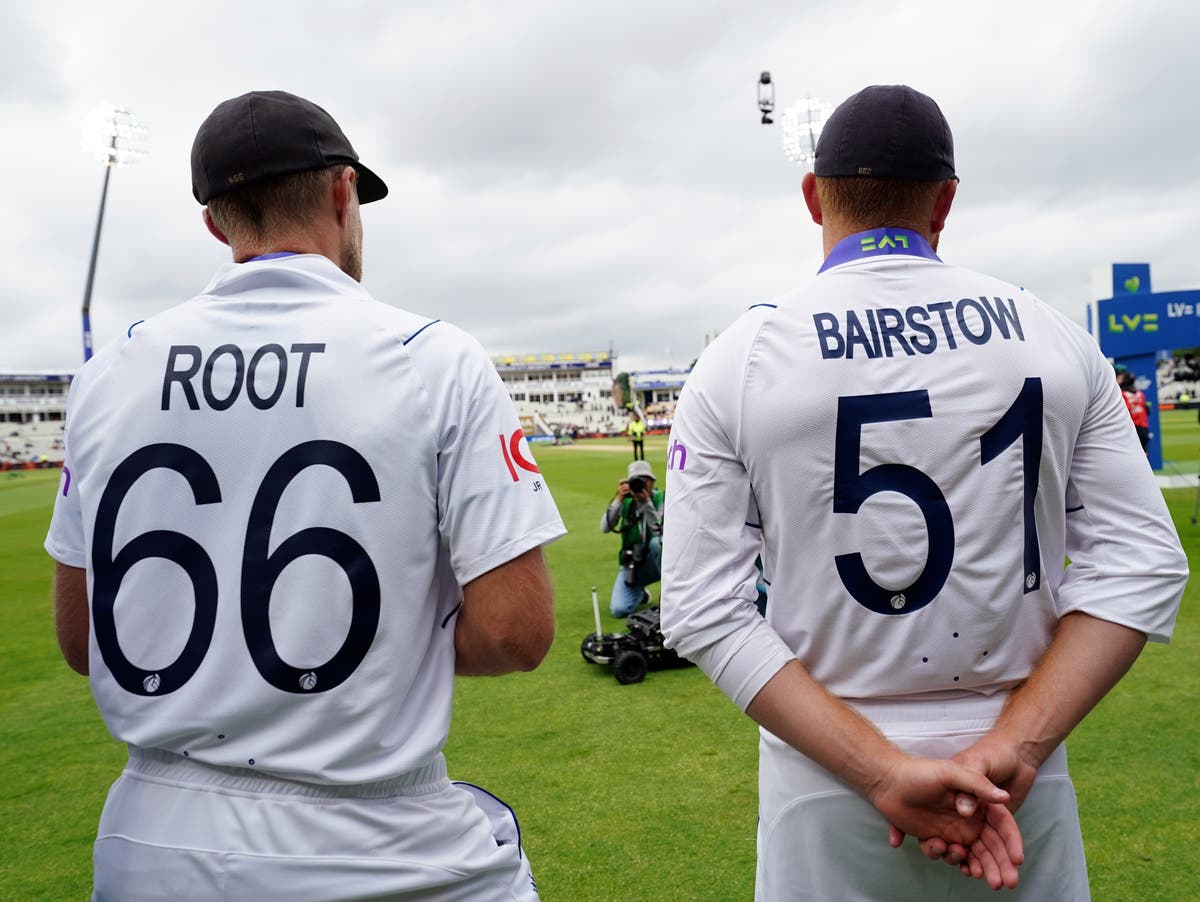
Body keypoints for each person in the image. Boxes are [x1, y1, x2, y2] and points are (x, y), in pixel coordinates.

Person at [660, 84, 1187, 900]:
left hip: (826, 770)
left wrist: (878, 773)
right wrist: (1016, 744)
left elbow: (701, 610)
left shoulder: (740, 356)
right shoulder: (1052, 333)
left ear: (813, 198)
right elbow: (1144, 564)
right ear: (943, 204)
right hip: (1016, 772)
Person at [44, 90, 566, 901]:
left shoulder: (107, 373)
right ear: (341, 193)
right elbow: (514, 632)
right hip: (377, 843)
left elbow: (83, 642)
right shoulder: (432, 358)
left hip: (150, 842)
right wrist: (385, 656)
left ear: (217, 225)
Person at [600, 459, 664, 617]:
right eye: (636, 480)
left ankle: (671, 594)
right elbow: (605, 528)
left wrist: (647, 504)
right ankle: (641, 594)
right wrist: (618, 500)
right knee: (619, 610)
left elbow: (660, 533)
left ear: (652, 481)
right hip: (634, 564)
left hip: (660, 563)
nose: (641, 484)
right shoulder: (627, 502)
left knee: (657, 543)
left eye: (644, 480)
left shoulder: (661, 499)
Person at [1116, 367, 1151, 452]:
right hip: (1144, 429)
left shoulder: (1123, 395)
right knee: (1144, 455)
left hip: (1132, 430)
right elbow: (1147, 410)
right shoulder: (1140, 394)